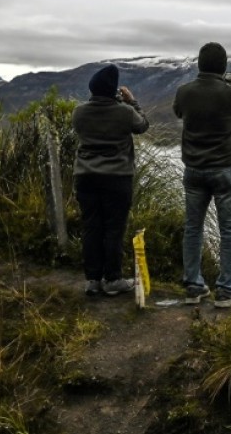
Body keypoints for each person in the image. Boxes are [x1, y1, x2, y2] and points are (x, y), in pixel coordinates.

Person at [173, 42, 231, 308]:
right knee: (229, 230)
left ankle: (193, 285)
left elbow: (179, 111)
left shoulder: (184, 91)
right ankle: (226, 289)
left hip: (193, 170)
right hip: (225, 169)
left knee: (193, 228)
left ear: (199, 64)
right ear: (223, 67)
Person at [72, 64, 150, 296]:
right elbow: (142, 125)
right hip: (117, 177)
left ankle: (93, 280)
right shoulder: (124, 112)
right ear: (113, 90)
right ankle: (113, 279)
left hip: (85, 176)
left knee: (91, 226)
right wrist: (131, 101)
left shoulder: (79, 112)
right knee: (114, 229)